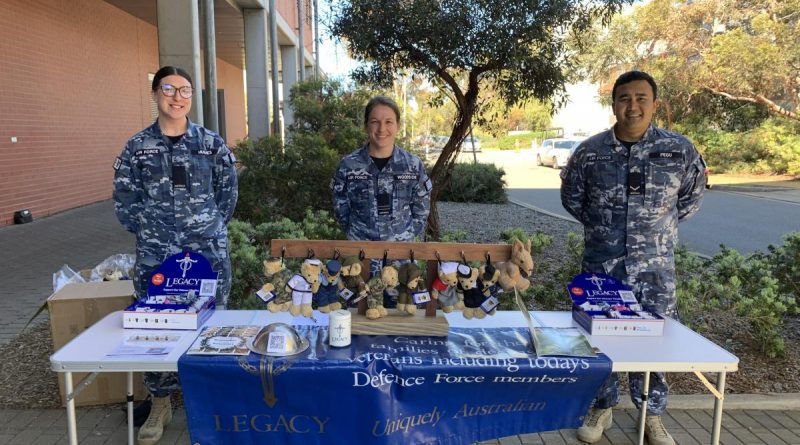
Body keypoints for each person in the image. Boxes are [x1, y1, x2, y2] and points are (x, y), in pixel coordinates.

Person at [560, 71, 706, 445]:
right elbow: (573, 199)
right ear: (614, 105)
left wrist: (652, 233)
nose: (633, 106)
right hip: (602, 267)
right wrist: (607, 231)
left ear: (655, 104)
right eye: (625, 98)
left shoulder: (680, 151)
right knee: (598, 337)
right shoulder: (590, 152)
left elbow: (689, 200)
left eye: (642, 98)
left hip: (655, 270)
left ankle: (652, 414)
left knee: (656, 342)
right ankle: (602, 406)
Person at [112, 65, 237, 445]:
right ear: (155, 94)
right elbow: (125, 200)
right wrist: (154, 229)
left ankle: (213, 397)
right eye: (169, 88)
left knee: (214, 322)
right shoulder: (137, 147)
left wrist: (206, 226)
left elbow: (228, 194)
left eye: (185, 90)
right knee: (157, 326)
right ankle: (161, 402)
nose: (177, 96)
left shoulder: (211, 144)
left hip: (207, 249)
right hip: (157, 252)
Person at [331, 96, 432, 290]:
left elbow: (422, 208)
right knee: (358, 310)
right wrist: (358, 232)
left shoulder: (412, 165)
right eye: (375, 122)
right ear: (366, 125)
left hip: (401, 257)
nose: (381, 129)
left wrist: (405, 234)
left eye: (388, 122)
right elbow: (340, 207)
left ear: (397, 125)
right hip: (359, 255)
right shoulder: (349, 165)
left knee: (402, 311)